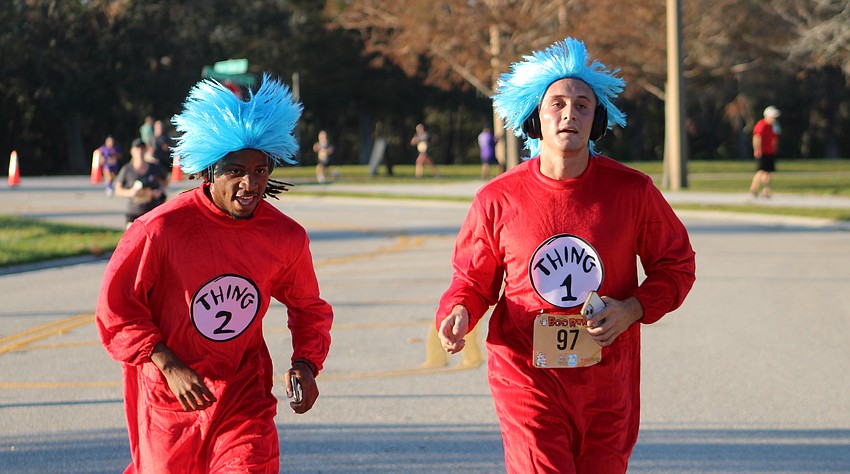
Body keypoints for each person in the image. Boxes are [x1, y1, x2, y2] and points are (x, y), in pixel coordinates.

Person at [435, 38, 696, 473]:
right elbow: (472, 279)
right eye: (557, 103)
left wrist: (633, 308)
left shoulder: (633, 192)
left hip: (607, 379)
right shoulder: (498, 198)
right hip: (525, 374)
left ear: (597, 122)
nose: (569, 113)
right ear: (537, 117)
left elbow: (677, 265)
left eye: (582, 105)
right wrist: (458, 310)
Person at [96, 74, 334, 473]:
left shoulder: (285, 237)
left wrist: (306, 364)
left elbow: (309, 308)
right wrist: (167, 363)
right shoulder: (159, 230)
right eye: (236, 171)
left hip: (244, 398)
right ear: (209, 170)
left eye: (261, 170)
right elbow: (116, 310)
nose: (250, 183)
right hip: (171, 402)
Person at [113, 138, 168, 229]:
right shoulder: (127, 169)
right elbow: (117, 189)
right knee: (132, 237)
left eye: (142, 148)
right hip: (134, 211)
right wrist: (130, 192)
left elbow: (165, 180)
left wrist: (159, 191)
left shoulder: (155, 167)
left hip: (153, 210)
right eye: (137, 148)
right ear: (132, 151)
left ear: (146, 150)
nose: (140, 151)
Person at [749, 105, 781, 198]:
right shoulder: (761, 125)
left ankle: (766, 190)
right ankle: (753, 188)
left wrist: (775, 148)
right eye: (772, 117)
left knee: (768, 172)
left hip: (770, 151)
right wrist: (757, 149)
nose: (774, 119)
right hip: (762, 151)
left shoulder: (774, 126)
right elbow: (757, 137)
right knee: (761, 171)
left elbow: (775, 138)